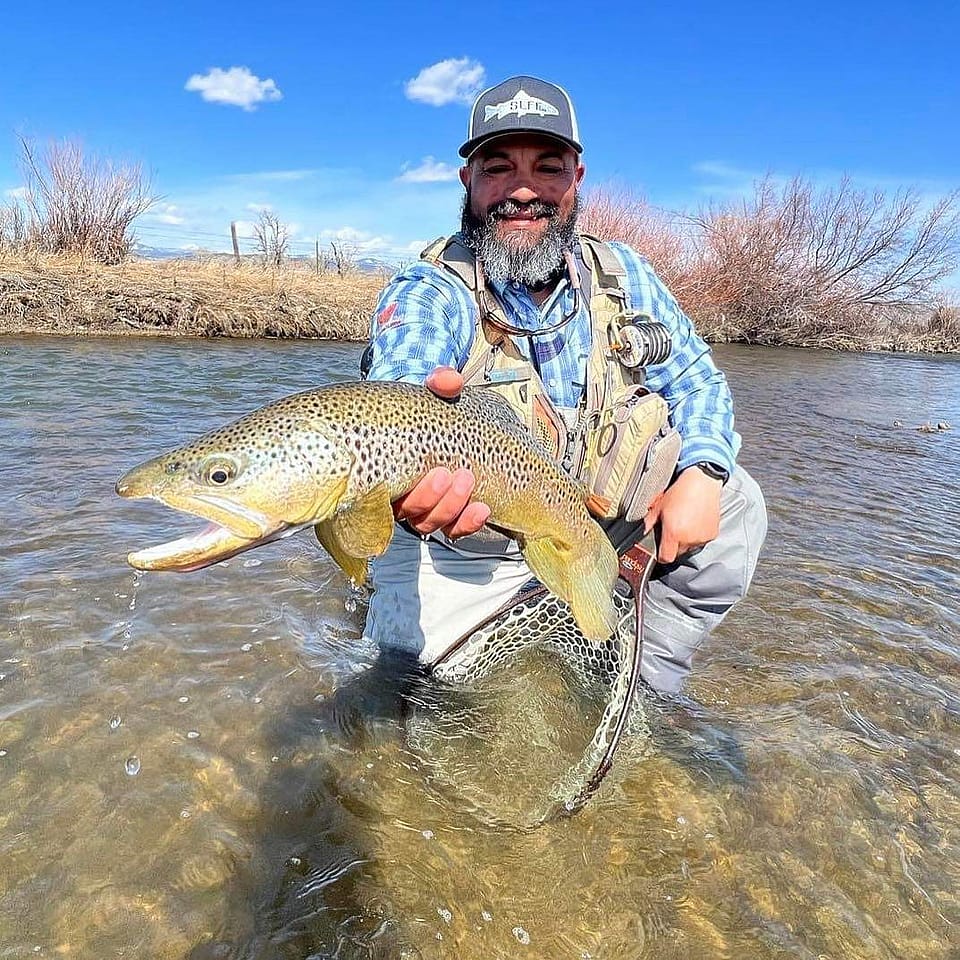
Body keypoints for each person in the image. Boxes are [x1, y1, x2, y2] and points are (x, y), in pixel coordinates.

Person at [360, 76, 767, 695]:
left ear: (577, 179)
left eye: (547, 169)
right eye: (498, 169)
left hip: (589, 516)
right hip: (470, 535)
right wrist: (411, 447)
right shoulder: (430, 288)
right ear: (467, 182)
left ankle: (647, 678)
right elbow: (402, 375)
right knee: (432, 696)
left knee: (737, 497)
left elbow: (696, 379)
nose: (522, 191)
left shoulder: (624, 270)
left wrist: (702, 473)